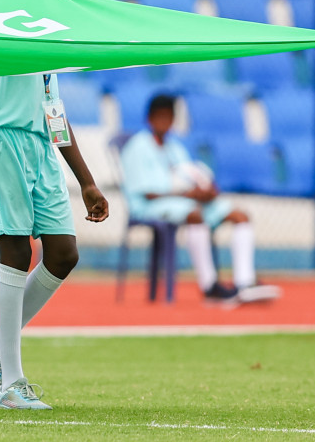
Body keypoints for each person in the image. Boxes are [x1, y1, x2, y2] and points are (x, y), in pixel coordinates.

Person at [0, 0, 109, 411]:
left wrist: (86, 180)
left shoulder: (43, 26)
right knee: (16, 252)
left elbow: (54, 109)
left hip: (39, 147)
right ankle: (11, 384)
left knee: (63, 254)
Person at [118, 94, 280, 305]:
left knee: (240, 215)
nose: (165, 122)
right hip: (150, 206)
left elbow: (191, 177)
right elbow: (148, 193)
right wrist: (189, 194)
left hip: (185, 202)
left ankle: (244, 282)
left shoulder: (175, 148)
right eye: (160, 117)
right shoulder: (136, 147)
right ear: (149, 119)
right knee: (196, 215)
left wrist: (205, 191)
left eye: (169, 117)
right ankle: (210, 287)